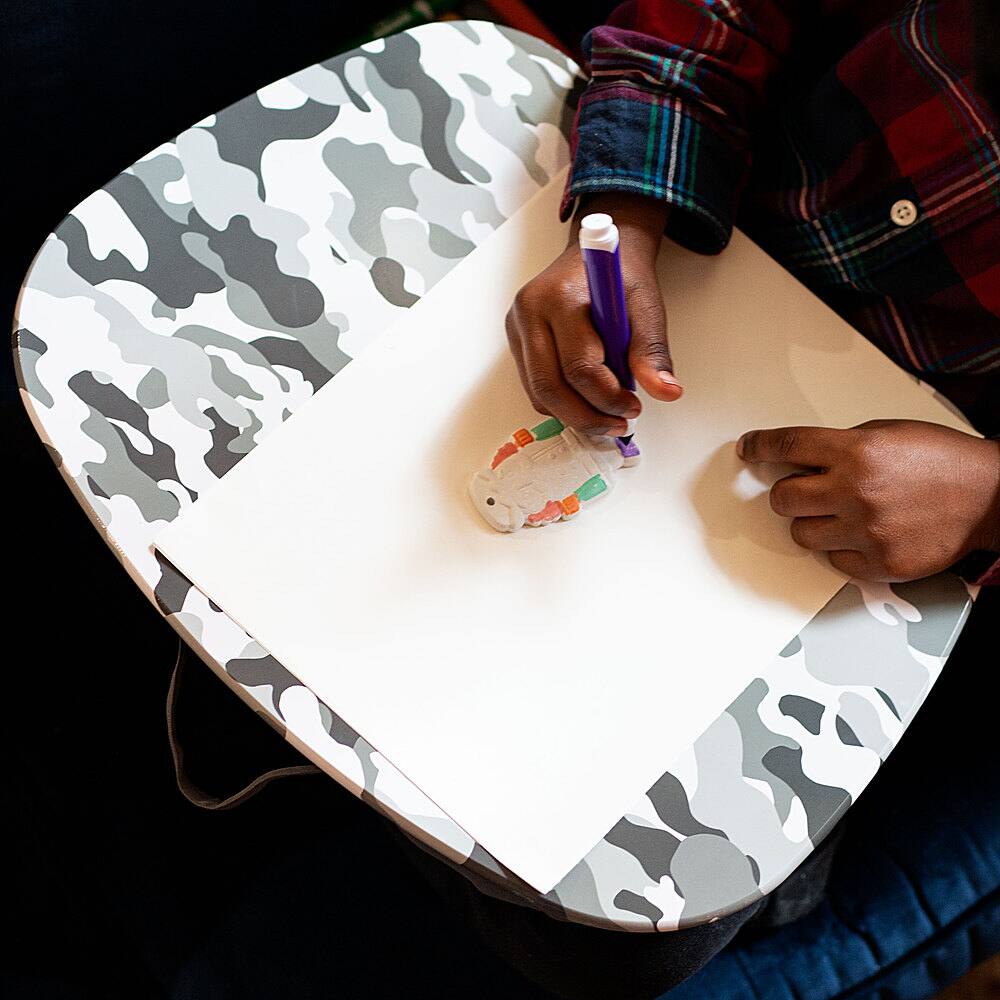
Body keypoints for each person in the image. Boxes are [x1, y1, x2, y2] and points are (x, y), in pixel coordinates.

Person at [396, 3, 1000, 998]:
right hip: (707, 247)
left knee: (623, 939)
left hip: (915, 524)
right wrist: (629, 213)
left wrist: (982, 502)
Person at [506, 0, 1000, 587]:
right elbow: (715, 15)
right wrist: (625, 212)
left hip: (920, 451)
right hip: (714, 196)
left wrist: (989, 500)